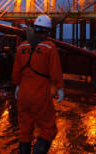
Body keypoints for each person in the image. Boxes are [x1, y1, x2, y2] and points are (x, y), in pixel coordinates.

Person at [12, 14, 64, 154]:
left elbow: (16, 71)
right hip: (40, 94)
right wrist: (59, 88)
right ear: (47, 31)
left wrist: (17, 86)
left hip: (23, 94)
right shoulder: (49, 47)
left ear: (34, 29)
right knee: (48, 127)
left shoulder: (22, 47)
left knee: (25, 128)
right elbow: (55, 70)